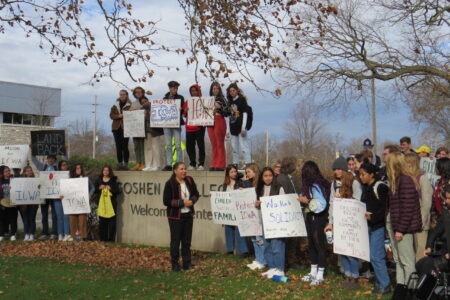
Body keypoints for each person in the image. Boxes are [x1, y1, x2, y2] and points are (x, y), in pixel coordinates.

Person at [386, 152, 422, 299]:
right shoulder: (396, 180)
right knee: (398, 260)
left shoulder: (405, 180)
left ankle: (411, 293)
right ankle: (401, 291)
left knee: (407, 261)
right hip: (394, 225)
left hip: (403, 229)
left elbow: (408, 208)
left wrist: (400, 229)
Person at [324, 156, 362, 290]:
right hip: (338, 222)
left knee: (351, 251)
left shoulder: (354, 182)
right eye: (335, 169)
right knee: (342, 250)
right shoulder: (334, 184)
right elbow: (331, 204)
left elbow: (359, 202)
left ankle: (355, 277)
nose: (337, 171)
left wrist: (345, 198)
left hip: (352, 222)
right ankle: (347, 276)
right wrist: (330, 222)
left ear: (345, 169)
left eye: (339, 168)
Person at [359, 163, 391, 295]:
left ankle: (385, 284)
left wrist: (373, 217)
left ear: (371, 174)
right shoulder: (366, 187)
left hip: (378, 226)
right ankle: (380, 283)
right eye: (360, 174)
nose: (361, 177)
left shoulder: (380, 187)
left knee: (376, 257)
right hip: (370, 227)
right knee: (375, 257)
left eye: (363, 174)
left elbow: (385, 208)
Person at [163, 162, 200, 271]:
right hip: (175, 217)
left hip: (188, 215)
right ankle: (175, 264)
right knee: (175, 241)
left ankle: (187, 263)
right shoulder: (170, 183)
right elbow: (166, 201)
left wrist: (191, 201)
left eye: (185, 169)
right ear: (175, 171)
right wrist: (182, 203)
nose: (184, 171)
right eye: (181, 169)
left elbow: (196, 194)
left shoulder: (189, 180)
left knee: (186, 241)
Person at [299, 161, 330, 286]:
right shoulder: (311, 185)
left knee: (319, 245)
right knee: (311, 244)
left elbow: (321, 204)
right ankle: (313, 271)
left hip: (318, 218)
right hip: (310, 217)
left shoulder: (315, 185)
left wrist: (307, 201)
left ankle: (320, 274)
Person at [256, 167, 286, 278]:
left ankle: (280, 269)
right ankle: (272, 267)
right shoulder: (259, 189)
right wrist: (257, 205)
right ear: (262, 177)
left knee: (277, 245)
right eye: (265, 176)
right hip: (264, 221)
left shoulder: (279, 188)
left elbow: (283, 204)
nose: (268, 178)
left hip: (276, 222)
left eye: (270, 175)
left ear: (273, 176)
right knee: (267, 245)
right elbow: (258, 205)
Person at [31, 150, 67, 240]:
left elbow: (65, 161)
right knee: (44, 215)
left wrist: (64, 150)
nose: (50, 160)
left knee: (55, 215)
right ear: (47, 159)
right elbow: (34, 160)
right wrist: (32, 149)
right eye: (49, 158)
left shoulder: (58, 167)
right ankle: (45, 232)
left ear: (55, 160)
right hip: (44, 194)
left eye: (52, 159)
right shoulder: (43, 166)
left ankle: (54, 233)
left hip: (55, 195)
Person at [404, 153, 433, 261]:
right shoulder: (407, 178)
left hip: (420, 221)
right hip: (409, 221)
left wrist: (422, 220)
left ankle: (420, 276)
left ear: (410, 163)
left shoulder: (422, 178)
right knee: (411, 250)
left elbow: (427, 202)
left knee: (420, 251)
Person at [416, 184, 450, 276]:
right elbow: (435, 232)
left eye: (448, 198)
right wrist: (429, 247)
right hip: (445, 253)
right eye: (446, 198)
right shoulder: (447, 214)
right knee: (421, 264)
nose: (446, 201)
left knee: (428, 266)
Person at [275, 157, 302, 270]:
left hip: (293, 212)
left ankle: (290, 261)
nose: (296, 166)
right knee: (287, 240)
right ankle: (287, 262)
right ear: (289, 166)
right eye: (294, 164)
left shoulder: (289, 177)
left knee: (292, 239)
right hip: (286, 214)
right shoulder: (281, 179)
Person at [219, 165, 249, 257]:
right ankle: (230, 250)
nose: (234, 173)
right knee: (228, 229)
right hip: (228, 210)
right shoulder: (225, 185)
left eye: (235, 171)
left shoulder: (241, 182)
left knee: (239, 229)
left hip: (238, 209)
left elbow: (246, 194)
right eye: (232, 172)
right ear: (228, 173)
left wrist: (242, 191)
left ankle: (244, 251)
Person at [66, 164, 95, 241]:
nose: (79, 170)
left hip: (82, 203)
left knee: (82, 220)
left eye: (80, 168)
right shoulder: (70, 180)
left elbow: (93, 187)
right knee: (72, 220)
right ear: (74, 170)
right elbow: (66, 190)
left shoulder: (86, 179)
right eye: (77, 168)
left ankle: (82, 237)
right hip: (72, 203)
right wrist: (63, 196)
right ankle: (74, 236)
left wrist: (90, 194)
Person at [227, 83, 251, 169]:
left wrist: (243, 128)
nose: (232, 92)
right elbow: (229, 117)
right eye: (230, 91)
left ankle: (248, 163)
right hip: (233, 127)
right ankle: (235, 163)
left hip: (240, 127)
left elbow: (245, 114)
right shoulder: (230, 102)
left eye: (233, 90)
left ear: (237, 90)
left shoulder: (241, 100)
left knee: (244, 146)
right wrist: (227, 130)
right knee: (234, 148)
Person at [162, 81, 185, 171]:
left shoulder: (180, 98)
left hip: (176, 123)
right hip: (166, 124)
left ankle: (179, 164)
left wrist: (181, 109)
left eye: (176, 88)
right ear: (170, 88)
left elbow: (182, 109)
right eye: (173, 88)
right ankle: (169, 164)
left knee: (178, 144)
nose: (175, 90)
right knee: (168, 145)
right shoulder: (164, 98)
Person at [95, 166, 121, 242]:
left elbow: (118, 191)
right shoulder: (98, 180)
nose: (106, 171)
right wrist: (99, 188)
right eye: (104, 170)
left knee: (112, 223)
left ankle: (111, 239)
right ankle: (103, 238)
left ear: (109, 172)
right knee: (102, 223)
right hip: (101, 205)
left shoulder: (113, 180)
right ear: (102, 171)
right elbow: (95, 190)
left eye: (107, 170)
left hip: (111, 205)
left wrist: (111, 189)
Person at [207, 82, 229, 171]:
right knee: (214, 144)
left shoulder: (223, 99)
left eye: (217, 88)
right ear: (211, 90)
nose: (215, 90)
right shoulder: (208, 99)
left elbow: (228, 112)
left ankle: (221, 165)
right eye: (213, 88)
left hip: (219, 119)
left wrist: (220, 107)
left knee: (220, 143)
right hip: (210, 121)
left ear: (219, 90)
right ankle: (214, 163)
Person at [183, 84, 206, 170]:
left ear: (198, 91)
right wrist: (185, 111)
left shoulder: (203, 101)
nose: (194, 92)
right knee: (189, 146)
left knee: (201, 145)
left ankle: (201, 163)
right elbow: (184, 115)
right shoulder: (187, 102)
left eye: (195, 90)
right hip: (189, 127)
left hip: (199, 127)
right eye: (192, 91)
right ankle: (192, 163)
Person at [140, 96, 163, 171]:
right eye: (142, 103)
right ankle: (148, 165)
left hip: (155, 131)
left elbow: (160, 117)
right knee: (147, 148)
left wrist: (149, 114)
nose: (144, 103)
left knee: (156, 147)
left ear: (148, 100)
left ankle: (157, 165)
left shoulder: (154, 107)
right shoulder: (141, 110)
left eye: (145, 101)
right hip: (146, 131)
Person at [110, 89, 131, 170]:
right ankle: (119, 164)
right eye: (120, 94)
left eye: (123, 94)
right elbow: (111, 115)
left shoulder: (130, 104)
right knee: (118, 147)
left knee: (125, 147)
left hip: (126, 128)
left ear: (126, 95)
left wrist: (125, 115)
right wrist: (118, 116)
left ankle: (125, 164)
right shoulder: (115, 105)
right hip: (116, 128)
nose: (122, 96)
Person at [18, 166, 39, 241]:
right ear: (24, 172)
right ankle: (26, 234)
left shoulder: (36, 180)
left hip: (33, 203)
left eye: (30, 170)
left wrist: (39, 186)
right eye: (27, 171)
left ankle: (32, 234)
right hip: (24, 203)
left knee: (32, 219)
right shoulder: (20, 181)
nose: (29, 172)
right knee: (25, 219)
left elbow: (39, 190)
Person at [129, 87, 146, 171]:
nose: (138, 94)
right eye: (136, 92)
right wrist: (130, 111)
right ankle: (138, 163)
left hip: (143, 127)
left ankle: (143, 163)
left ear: (143, 93)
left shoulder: (145, 101)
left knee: (142, 146)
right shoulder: (133, 103)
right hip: (134, 128)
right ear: (134, 94)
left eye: (140, 92)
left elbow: (147, 111)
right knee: (136, 146)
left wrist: (138, 110)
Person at [54, 160, 72, 241]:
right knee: (59, 217)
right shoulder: (56, 175)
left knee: (66, 217)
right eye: (63, 165)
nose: (64, 166)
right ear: (60, 167)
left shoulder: (70, 175)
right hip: (57, 199)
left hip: (67, 199)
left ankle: (67, 234)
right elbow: (52, 186)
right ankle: (60, 234)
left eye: (66, 165)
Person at [0, 166, 18, 241]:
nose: (8, 172)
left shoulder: (13, 180)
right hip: (2, 203)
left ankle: (13, 234)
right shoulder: (0, 181)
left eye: (8, 171)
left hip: (12, 203)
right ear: (2, 173)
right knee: (1, 219)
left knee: (13, 219)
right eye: (6, 171)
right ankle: (1, 234)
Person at [431, 158, 450, 227]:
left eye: (436, 166)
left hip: (446, 218)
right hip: (440, 217)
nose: (435, 168)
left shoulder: (448, 183)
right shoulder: (439, 181)